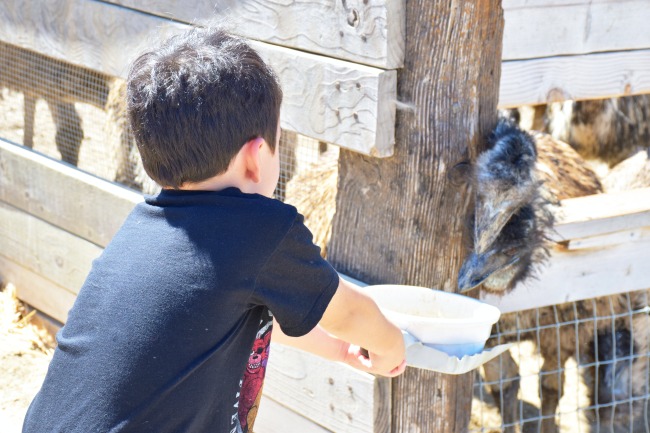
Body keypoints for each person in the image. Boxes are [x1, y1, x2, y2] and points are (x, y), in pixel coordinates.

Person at [22, 27, 406, 433]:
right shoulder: (260, 231)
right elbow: (349, 312)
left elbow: (229, 321)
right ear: (256, 158)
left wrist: (339, 349)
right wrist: (389, 346)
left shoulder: (146, 229)